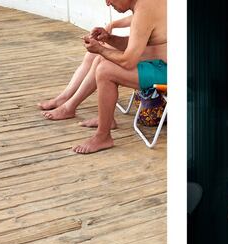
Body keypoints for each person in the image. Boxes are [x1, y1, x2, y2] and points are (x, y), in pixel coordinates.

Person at [39, 0, 167, 153]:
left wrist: (100, 49)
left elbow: (128, 61)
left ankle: (103, 136)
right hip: (161, 62)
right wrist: (109, 39)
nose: (107, 3)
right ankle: (92, 115)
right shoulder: (145, 5)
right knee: (102, 60)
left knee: (106, 70)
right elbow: (137, 42)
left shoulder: (145, 9)